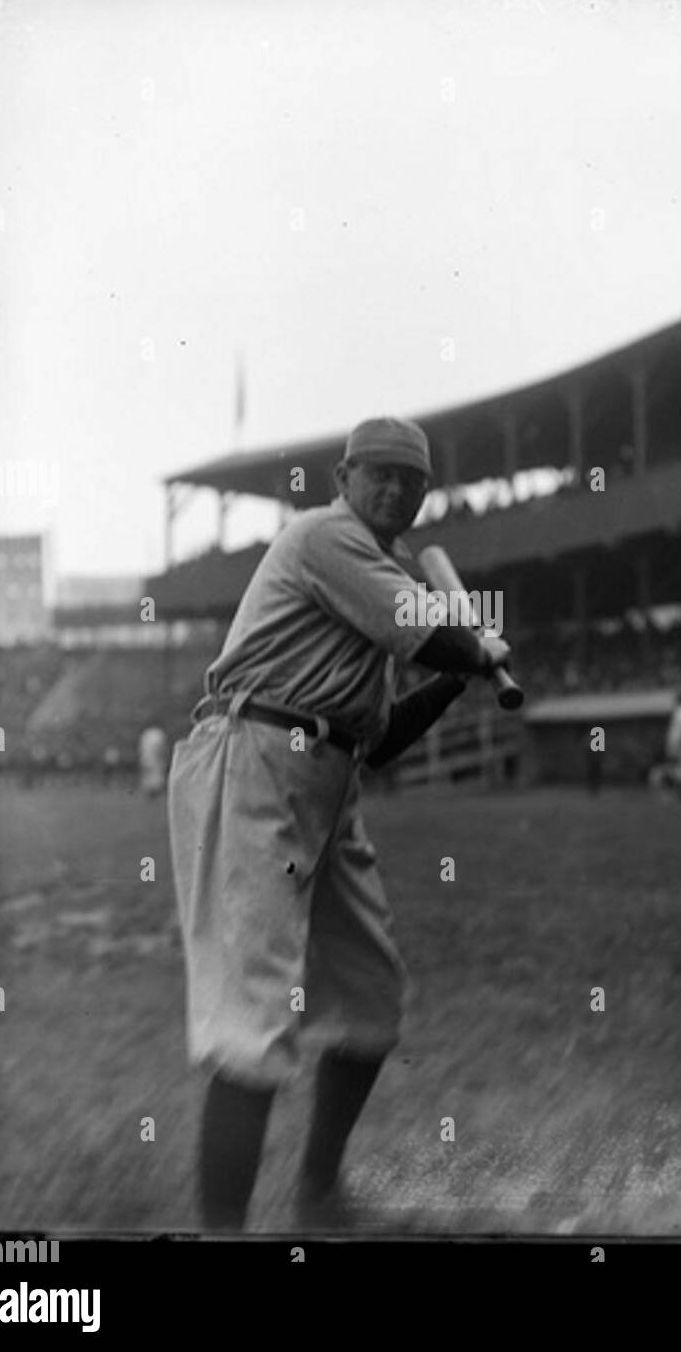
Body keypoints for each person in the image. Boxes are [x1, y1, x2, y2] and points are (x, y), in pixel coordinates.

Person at [168, 416, 511, 1232]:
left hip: (329, 780)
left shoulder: (379, 572)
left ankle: (318, 1198)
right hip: (251, 762)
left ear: (424, 496)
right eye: (377, 474)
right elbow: (433, 634)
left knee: (369, 998)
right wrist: (479, 646)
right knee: (253, 1023)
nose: (391, 489)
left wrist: (460, 680)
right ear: (343, 480)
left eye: (409, 480)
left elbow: (382, 738)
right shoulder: (324, 537)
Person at [138, 722, 169, 797]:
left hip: (148, 758)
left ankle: (152, 792)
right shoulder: (157, 734)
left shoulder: (148, 734)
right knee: (155, 776)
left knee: (152, 776)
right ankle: (152, 792)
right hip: (153, 759)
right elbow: (160, 748)